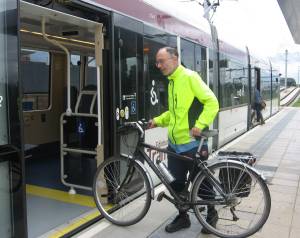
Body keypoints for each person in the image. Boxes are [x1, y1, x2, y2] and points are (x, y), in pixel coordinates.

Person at [149, 47, 219, 234]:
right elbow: (174, 114)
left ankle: (211, 215)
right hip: (175, 145)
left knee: (202, 183)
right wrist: (156, 121)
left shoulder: (190, 77)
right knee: (176, 185)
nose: (159, 65)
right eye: (157, 62)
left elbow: (212, 102)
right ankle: (183, 217)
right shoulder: (171, 82)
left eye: (162, 61)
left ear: (175, 59)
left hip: (193, 143)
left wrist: (201, 124)